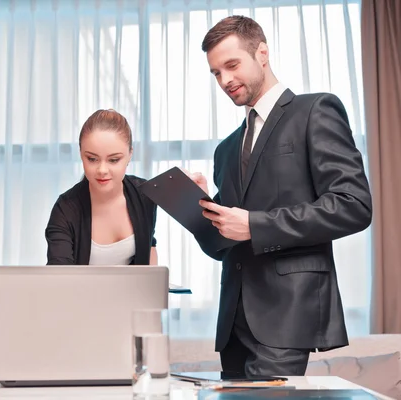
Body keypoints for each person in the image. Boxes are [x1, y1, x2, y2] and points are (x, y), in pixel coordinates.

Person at [190, 16, 372, 376]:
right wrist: (199, 212)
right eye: (215, 73)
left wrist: (255, 225)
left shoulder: (315, 110)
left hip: (289, 310)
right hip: (234, 322)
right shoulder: (226, 150)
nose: (225, 80)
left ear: (262, 53)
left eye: (231, 65)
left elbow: (354, 205)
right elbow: (221, 245)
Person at [45, 109, 158, 265]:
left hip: (133, 289)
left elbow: (150, 245)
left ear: (130, 155)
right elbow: (59, 275)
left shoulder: (145, 194)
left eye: (113, 160)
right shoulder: (65, 209)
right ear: (81, 154)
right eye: (92, 159)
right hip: (79, 290)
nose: (102, 170)